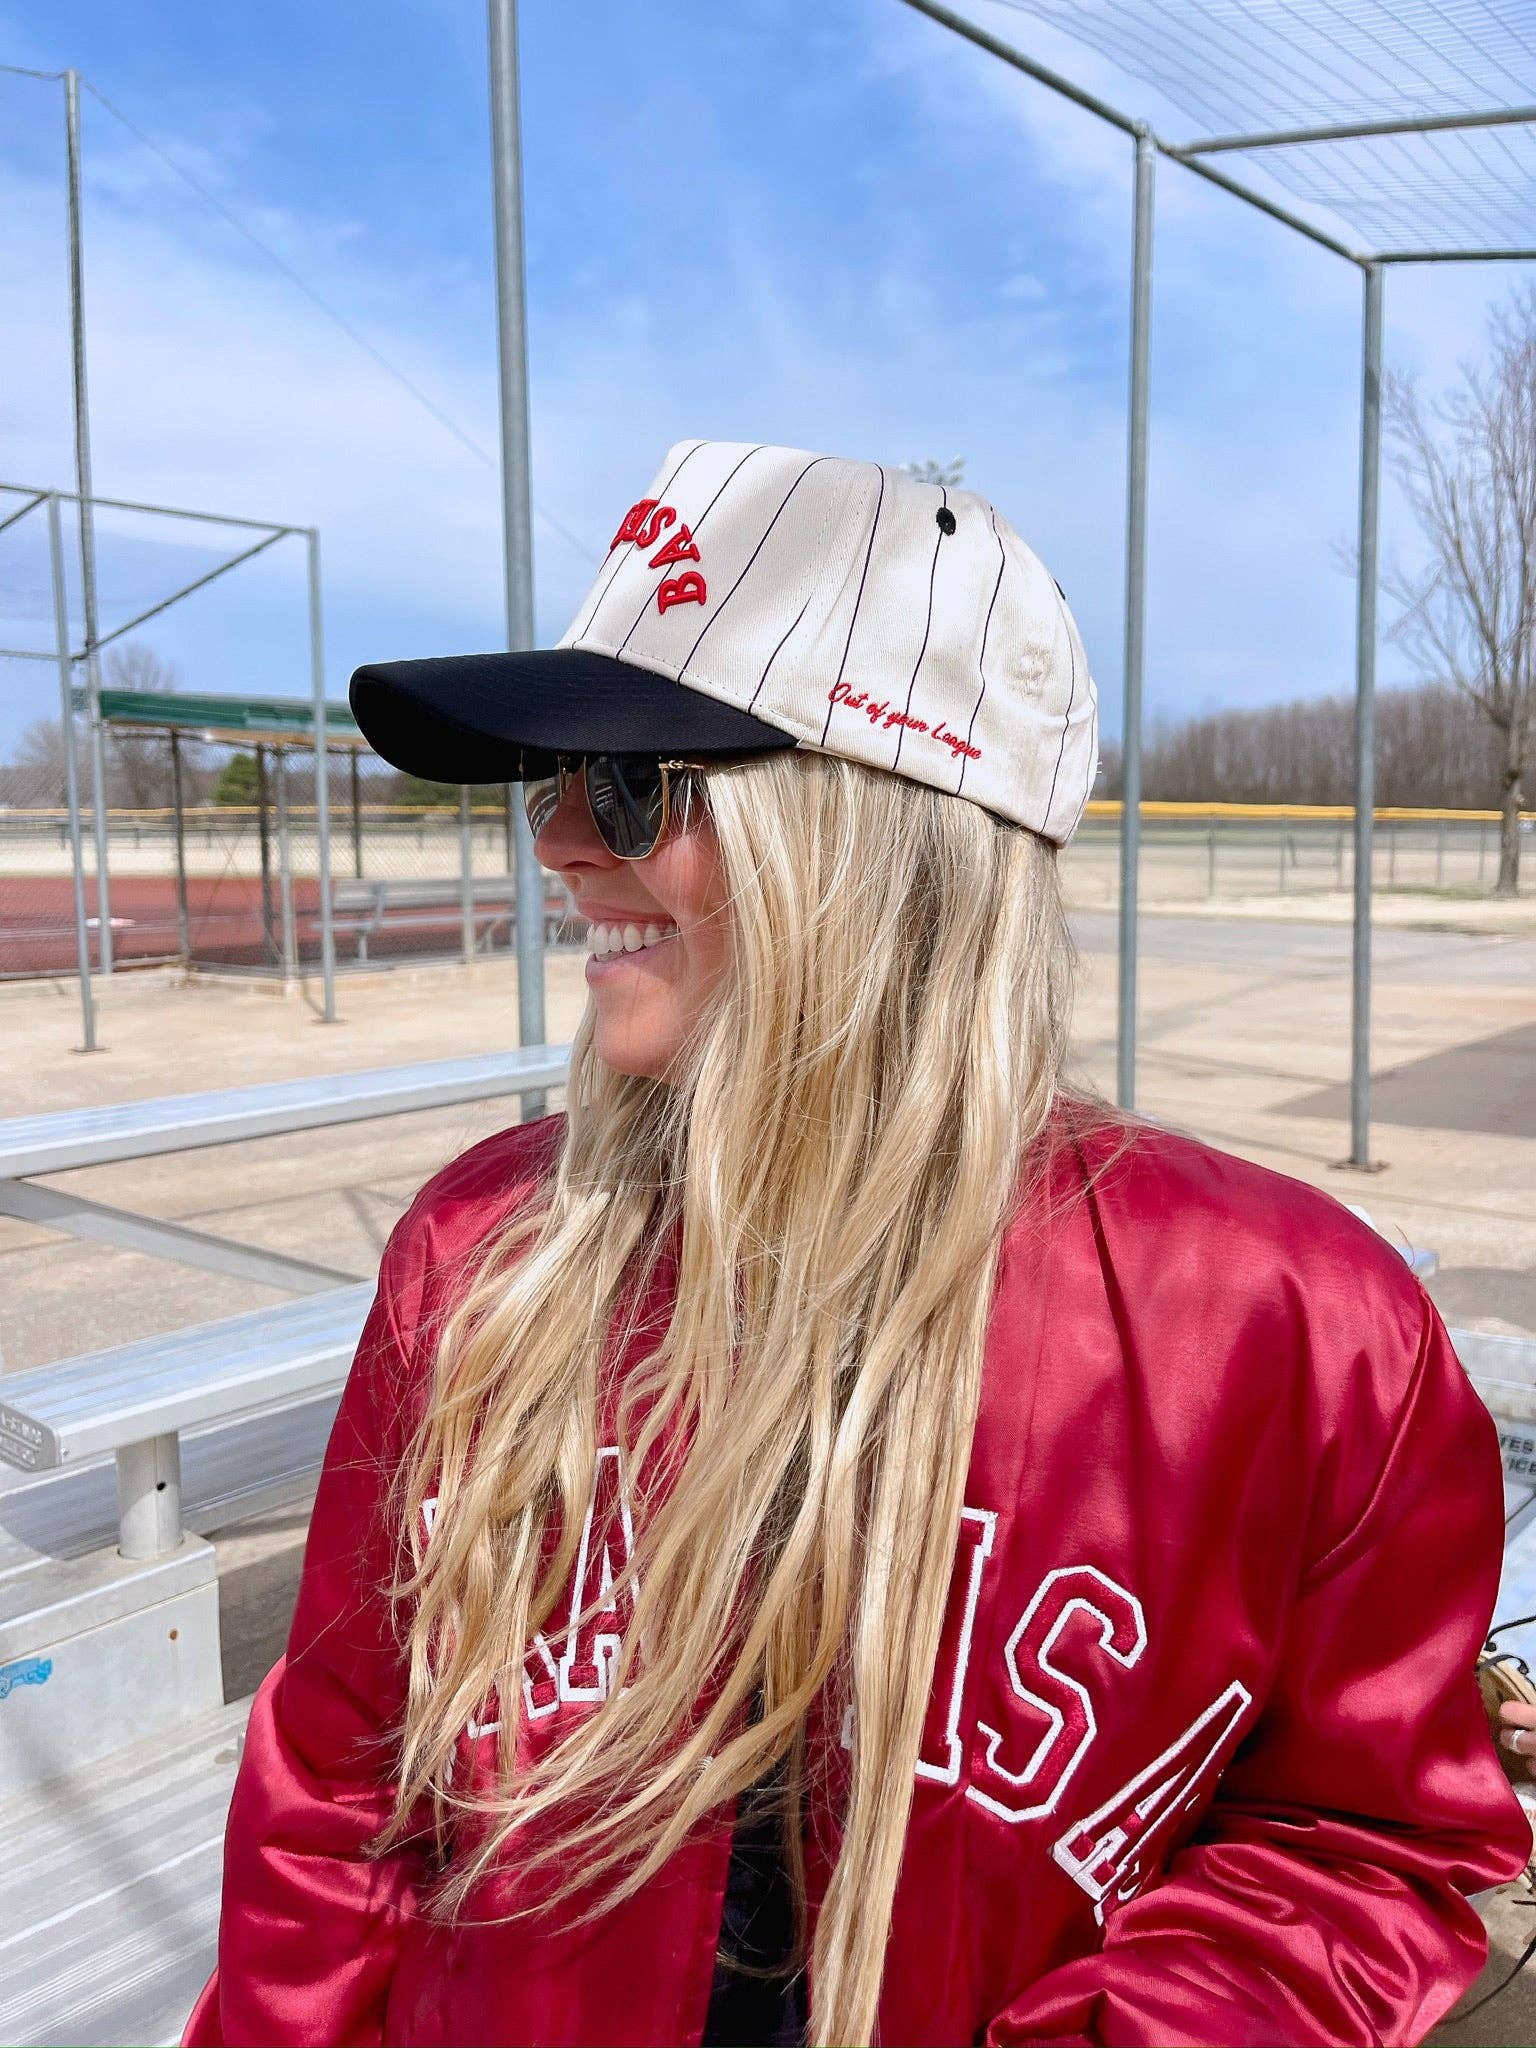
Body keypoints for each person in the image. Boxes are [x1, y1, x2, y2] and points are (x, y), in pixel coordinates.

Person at [183, 441, 1528, 2048]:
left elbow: (1368, 1843)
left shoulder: (1295, 1331)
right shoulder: (483, 1252)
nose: (557, 840)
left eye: (634, 782)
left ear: (876, 836)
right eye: (549, 778)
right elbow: (336, 1799)